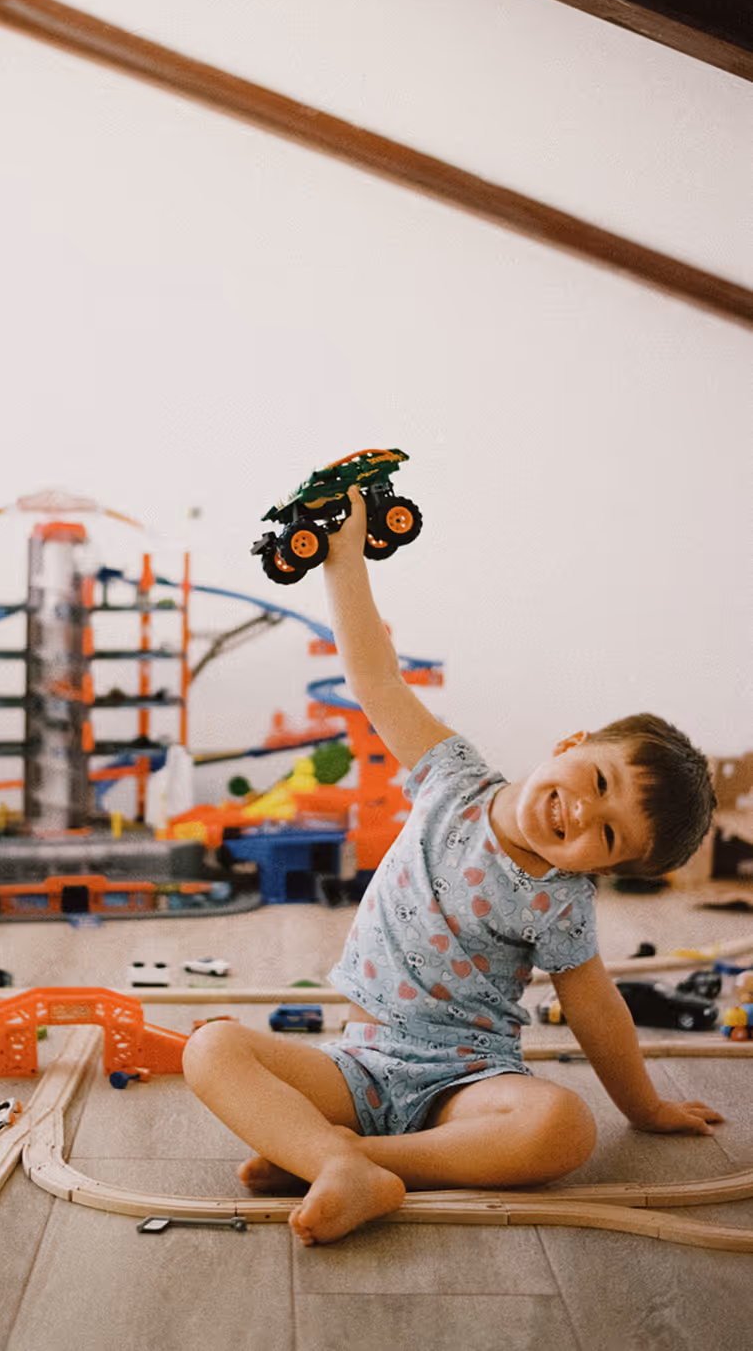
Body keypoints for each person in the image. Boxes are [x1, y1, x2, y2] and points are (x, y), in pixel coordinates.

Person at [183, 485, 721, 1246]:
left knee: (564, 1127)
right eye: (595, 785)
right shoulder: (452, 776)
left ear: (604, 869)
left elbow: (598, 1011)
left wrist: (646, 1108)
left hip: (467, 1084)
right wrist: (342, 562)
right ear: (571, 745)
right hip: (359, 1063)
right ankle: (330, 1153)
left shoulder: (561, 902)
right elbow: (374, 677)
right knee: (211, 1047)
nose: (578, 817)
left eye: (605, 837)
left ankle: (346, 1160)